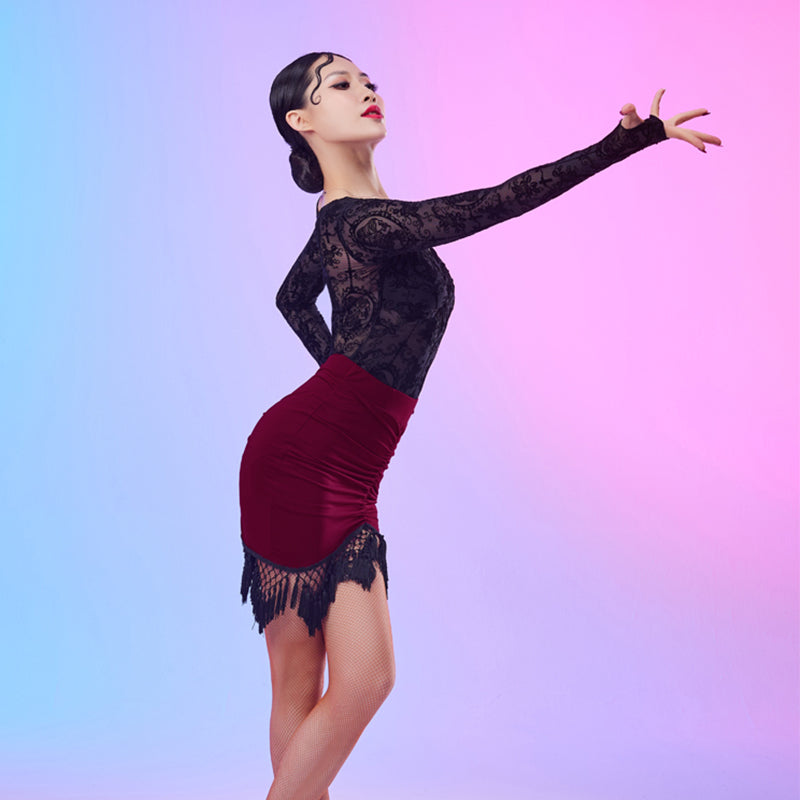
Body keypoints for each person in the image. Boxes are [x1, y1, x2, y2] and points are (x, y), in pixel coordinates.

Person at [239, 51, 721, 800]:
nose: (366, 89)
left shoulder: (341, 223)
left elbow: (292, 299)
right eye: (340, 84)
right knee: (329, 682)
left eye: (367, 79)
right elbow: (498, 202)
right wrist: (622, 144)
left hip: (345, 466)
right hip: (301, 461)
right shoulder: (362, 223)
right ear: (302, 122)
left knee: (350, 680)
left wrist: (341, 372)